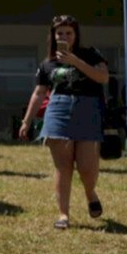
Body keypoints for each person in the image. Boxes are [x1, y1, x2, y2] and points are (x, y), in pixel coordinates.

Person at [19, 15, 108, 229]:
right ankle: (63, 215)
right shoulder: (47, 63)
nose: (64, 36)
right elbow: (39, 93)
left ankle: (90, 192)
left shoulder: (91, 54)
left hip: (88, 110)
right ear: (53, 35)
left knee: (87, 167)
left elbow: (103, 77)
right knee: (63, 166)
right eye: (60, 33)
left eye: (68, 33)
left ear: (76, 35)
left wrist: (75, 61)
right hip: (58, 110)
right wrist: (26, 121)